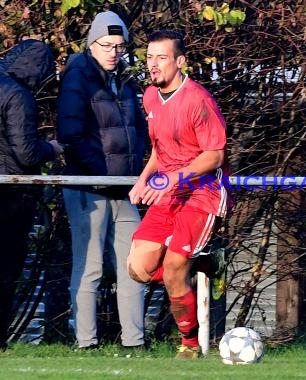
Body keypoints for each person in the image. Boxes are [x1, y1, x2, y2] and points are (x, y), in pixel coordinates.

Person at [126, 29, 231, 359]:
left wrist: (173, 179)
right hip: (167, 191)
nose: (153, 65)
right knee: (138, 268)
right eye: (149, 58)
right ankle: (203, 261)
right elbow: (160, 148)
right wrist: (144, 179)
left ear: (180, 61)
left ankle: (189, 343)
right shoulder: (150, 97)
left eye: (161, 58)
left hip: (203, 191)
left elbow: (215, 155)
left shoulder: (198, 100)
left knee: (172, 268)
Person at [56, 11, 147, 349]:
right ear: (91, 44)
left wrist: (138, 168)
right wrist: (101, 174)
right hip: (87, 186)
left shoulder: (124, 78)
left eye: (119, 46)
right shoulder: (77, 76)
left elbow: (139, 128)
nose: (113, 52)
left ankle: (135, 342)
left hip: (124, 187)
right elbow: (70, 134)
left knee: (134, 264)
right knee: (90, 265)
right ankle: (85, 341)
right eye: (106, 45)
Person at [0, 39, 63, 350]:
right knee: (5, 268)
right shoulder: (18, 94)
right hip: (10, 196)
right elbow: (25, 153)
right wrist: (50, 148)